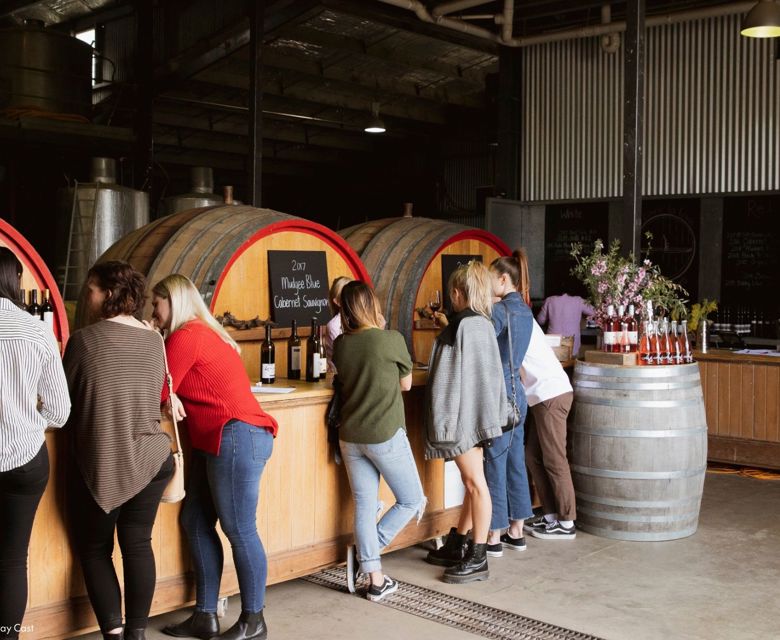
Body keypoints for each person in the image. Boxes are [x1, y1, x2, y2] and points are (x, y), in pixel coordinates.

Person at [153, 274, 278, 640]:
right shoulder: (201, 332)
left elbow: (159, 387)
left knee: (240, 530)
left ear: (172, 302)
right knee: (194, 520)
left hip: (236, 435)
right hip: (220, 439)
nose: (153, 312)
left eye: (156, 304)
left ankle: (254, 621)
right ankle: (205, 616)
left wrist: (149, 342)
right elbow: (167, 390)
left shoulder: (186, 335)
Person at [63, 261, 173, 640]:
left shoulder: (83, 341)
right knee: (138, 543)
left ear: (107, 293)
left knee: (95, 549)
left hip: (106, 459)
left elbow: (63, 406)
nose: (84, 296)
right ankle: (137, 634)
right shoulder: (154, 340)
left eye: (89, 288)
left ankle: (113, 633)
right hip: (152, 458)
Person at [332, 281, 425, 602]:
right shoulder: (391, 340)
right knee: (413, 500)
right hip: (384, 433)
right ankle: (367, 555)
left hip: (350, 437)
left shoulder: (342, 344)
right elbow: (407, 385)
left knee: (364, 505)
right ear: (372, 304)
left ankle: (375, 578)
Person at [0, 248, 70, 640]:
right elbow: (61, 412)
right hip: (25, 459)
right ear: (16, 282)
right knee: (11, 561)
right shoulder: (36, 331)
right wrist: (26, 420)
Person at [424, 261, 505, 584]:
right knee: (473, 482)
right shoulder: (480, 323)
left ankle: (478, 556)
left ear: (457, 293)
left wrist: (443, 426)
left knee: (475, 484)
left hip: (462, 419)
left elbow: (450, 381)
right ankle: (459, 541)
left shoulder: (464, 327)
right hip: (477, 415)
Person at [482, 252, 534, 557]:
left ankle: (494, 533)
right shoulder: (526, 312)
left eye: (491, 280)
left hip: (498, 394)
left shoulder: (499, 311)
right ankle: (517, 530)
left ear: (504, 279)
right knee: (515, 461)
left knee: (494, 462)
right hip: (518, 393)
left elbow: (481, 346)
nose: (489, 286)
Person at [536, 292, 595, 357]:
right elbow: (595, 312)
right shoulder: (579, 300)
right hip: (572, 346)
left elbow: (540, 320)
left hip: (553, 345)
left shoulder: (550, 300)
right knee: (573, 358)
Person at [323, 276, 352, 366]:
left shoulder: (359, 319)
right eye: (349, 296)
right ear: (337, 302)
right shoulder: (334, 325)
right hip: (339, 374)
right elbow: (345, 357)